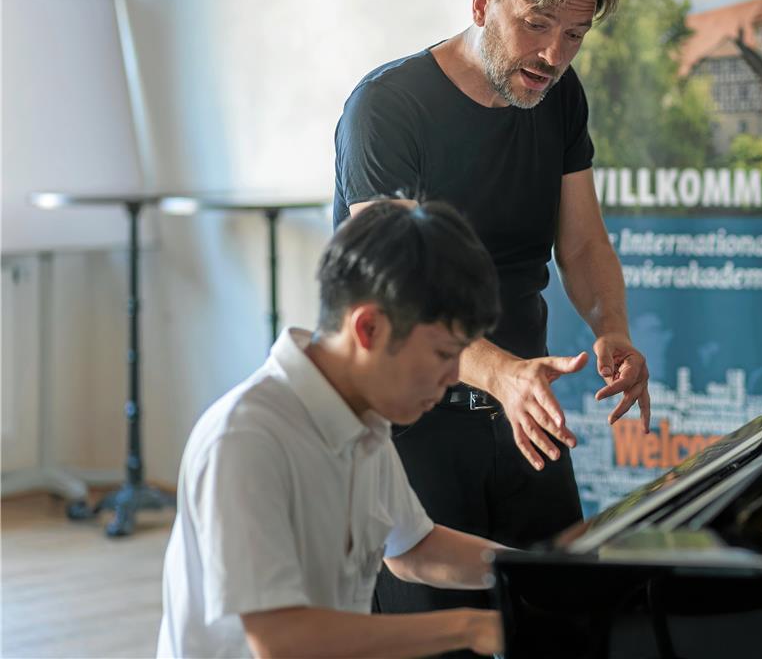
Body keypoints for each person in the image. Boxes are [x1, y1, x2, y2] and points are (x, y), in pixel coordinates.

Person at [333, 0, 652, 633]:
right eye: (536, 24)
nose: (553, 54)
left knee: (567, 622)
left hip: (524, 418)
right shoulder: (387, 110)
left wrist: (613, 327)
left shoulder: (559, 98)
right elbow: (394, 292)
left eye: (574, 35)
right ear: (482, 3)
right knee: (438, 641)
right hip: (411, 421)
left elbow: (582, 246)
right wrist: (502, 372)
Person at [157, 201, 505, 658]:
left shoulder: (365, 418)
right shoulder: (245, 440)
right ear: (369, 328)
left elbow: (413, 548)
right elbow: (280, 641)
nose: (455, 375)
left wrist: (549, 576)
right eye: (444, 353)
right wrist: (470, 628)